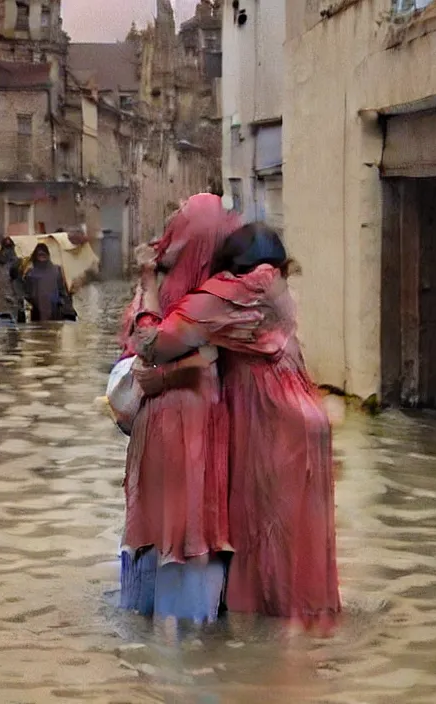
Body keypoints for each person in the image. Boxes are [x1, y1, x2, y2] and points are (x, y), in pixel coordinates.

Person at [132, 222, 341, 629]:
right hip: (308, 417)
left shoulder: (230, 295)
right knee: (302, 553)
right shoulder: (278, 288)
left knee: (267, 549)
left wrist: (148, 287)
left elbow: (151, 343)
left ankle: (268, 672)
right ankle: (312, 654)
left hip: (272, 422)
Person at [118, 193, 241, 624]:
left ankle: (170, 637)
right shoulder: (214, 292)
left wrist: (148, 286)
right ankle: (185, 637)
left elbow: (147, 342)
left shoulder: (205, 299)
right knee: (182, 522)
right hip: (179, 421)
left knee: (183, 523)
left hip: (180, 423)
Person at [23, 243, 77, 322]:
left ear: (48, 255)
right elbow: (27, 293)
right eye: (39, 255)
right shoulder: (30, 273)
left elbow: (62, 290)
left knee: (54, 331)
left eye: (44, 255)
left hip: (55, 310)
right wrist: (34, 300)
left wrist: (62, 302)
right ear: (35, 256)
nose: (42, 258)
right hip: (38, 311)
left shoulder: (57, 270)